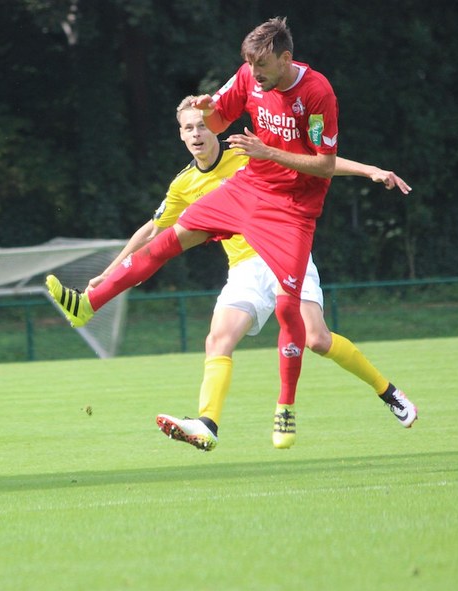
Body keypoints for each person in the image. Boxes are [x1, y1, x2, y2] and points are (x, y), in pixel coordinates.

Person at [47, 17, 343, 449]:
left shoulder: (312, 97)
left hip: (288, 216)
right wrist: (209, 112)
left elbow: (326, 165)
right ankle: (89, 306)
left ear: (285, 58)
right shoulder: (242, 87)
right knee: (172, 252)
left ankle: (290, 409)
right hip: (249, 208)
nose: (254, 74)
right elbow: (217, 123)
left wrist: (269, 151)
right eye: (249, 65)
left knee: (303, 324)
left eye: (261, 65)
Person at [81, 95, 416, 453]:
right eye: (189, 128)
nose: (197, 134)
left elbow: (316, 164)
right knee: (218, 340)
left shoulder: (247, 152)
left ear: (215, 127)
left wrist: (369, 170)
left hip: (285, 252)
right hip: (244, 269)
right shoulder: (183, 184)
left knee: (317, 339)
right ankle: (207, 424)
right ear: (181, 135)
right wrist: (109, 272)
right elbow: (152, 230)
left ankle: (389, 393)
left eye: (202, 125)